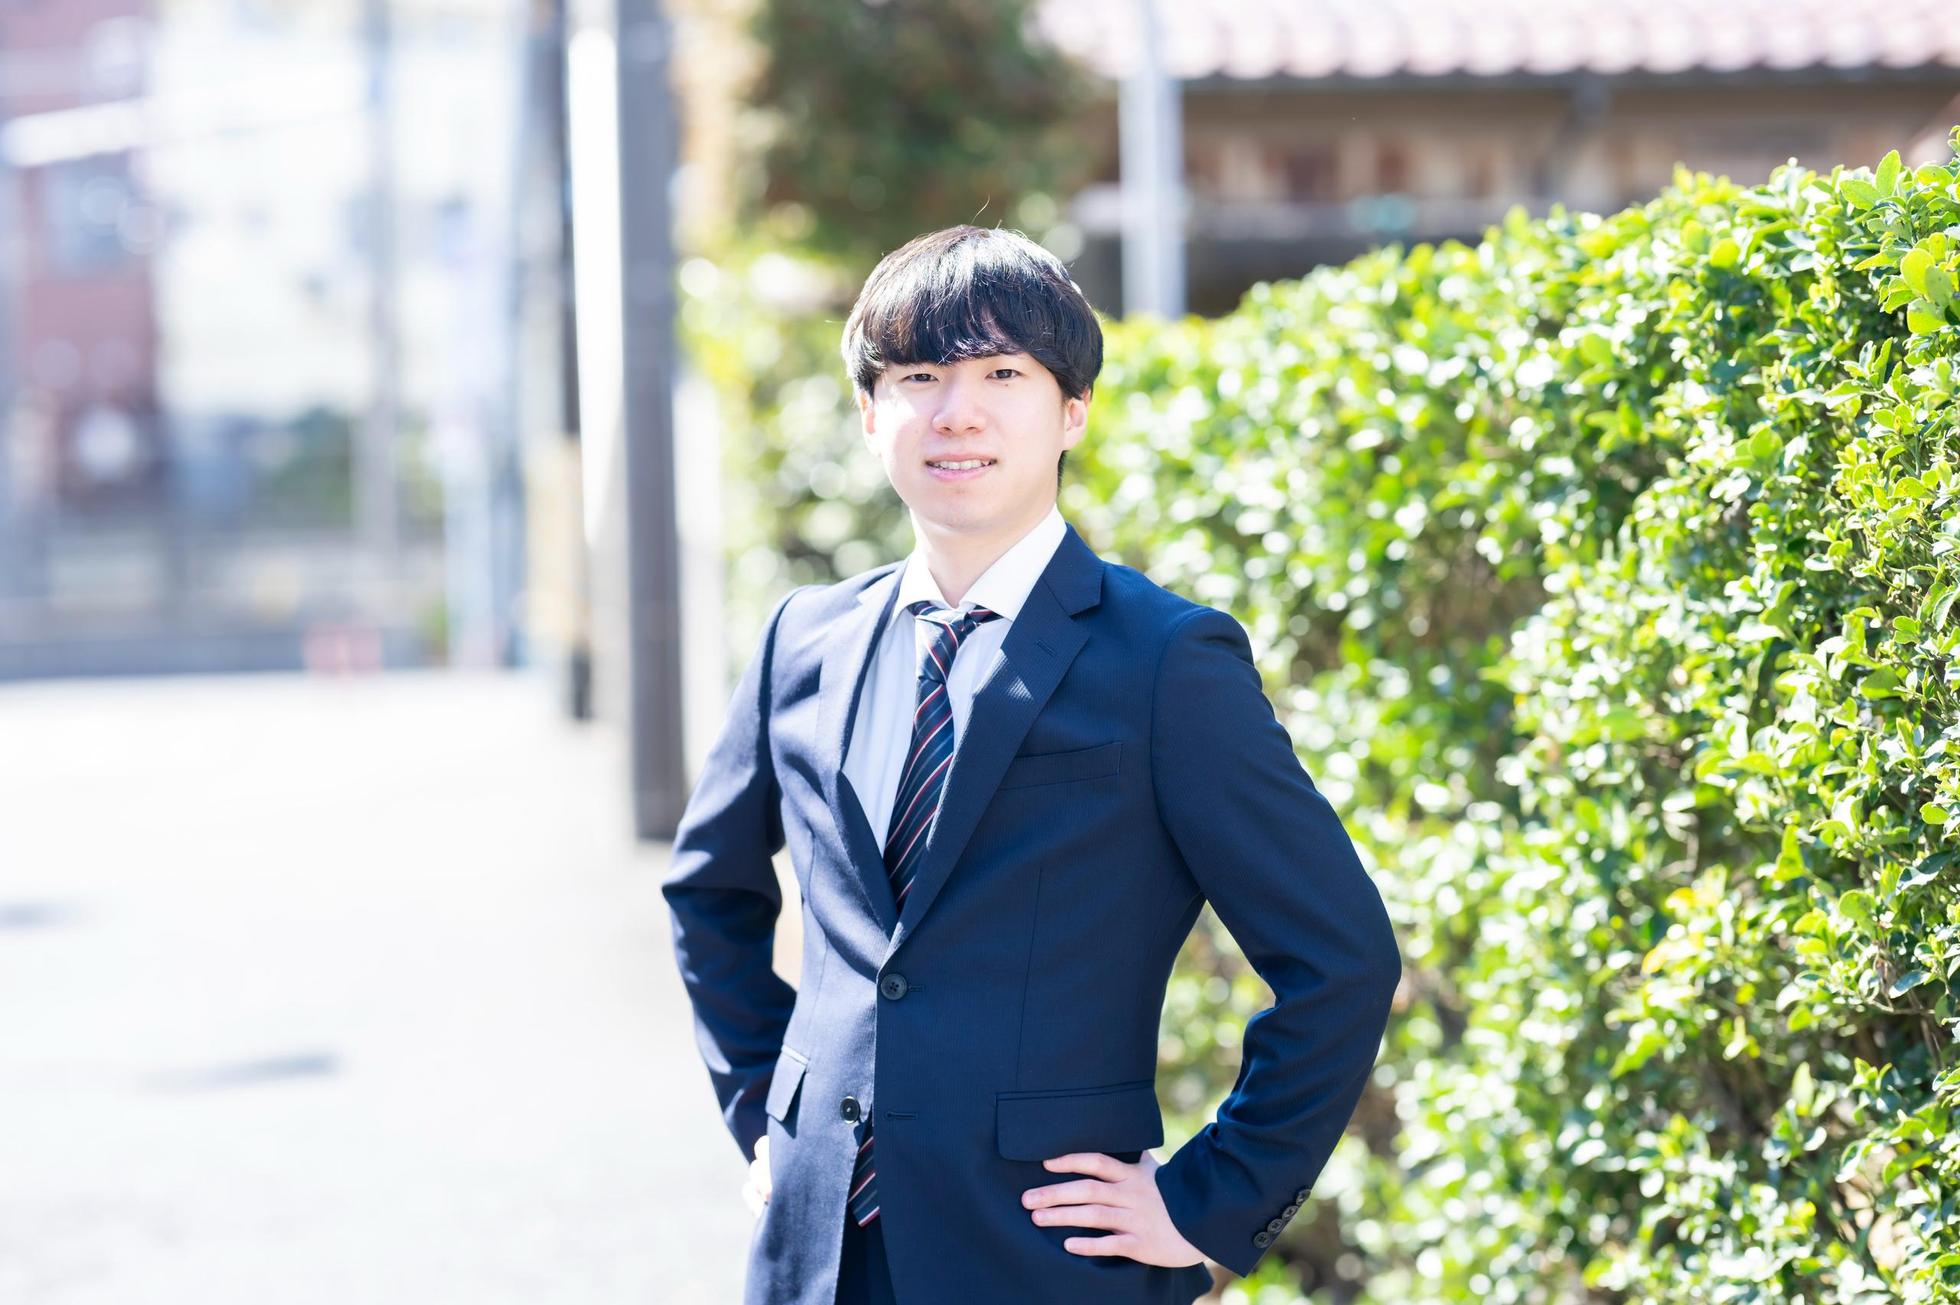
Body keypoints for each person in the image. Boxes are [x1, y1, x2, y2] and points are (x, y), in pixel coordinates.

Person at [662, 225, 1402, 1305]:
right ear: (870, 413)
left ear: (1072, 411)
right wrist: (769, 1114)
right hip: (813, 1256)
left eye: (1002, 373)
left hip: (1048, 1261)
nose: (956, 412)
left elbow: (1342, 958)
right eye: (919, 377)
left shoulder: (1165, 660)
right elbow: (708, 892)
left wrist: (1210, 1201)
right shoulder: (803, 641)